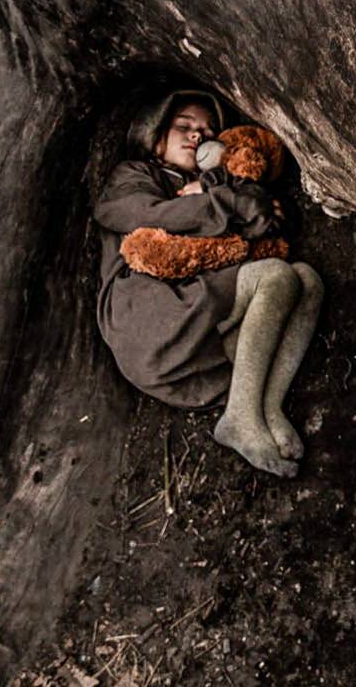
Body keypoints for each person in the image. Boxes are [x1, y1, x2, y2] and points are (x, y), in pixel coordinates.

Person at [94, 89, 324, 478]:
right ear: (156, 136)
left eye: (208, 131)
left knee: (307, 280)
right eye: (184, 125)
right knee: (274, 276)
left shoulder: (213, 182)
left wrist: (227, 193)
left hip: (199, 325)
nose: (197, 135)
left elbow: (271, 221)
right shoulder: (132, 175)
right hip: (148, 318)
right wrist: (233, 204)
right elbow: (156, 217)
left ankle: (261, 409)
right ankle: (242, 418)